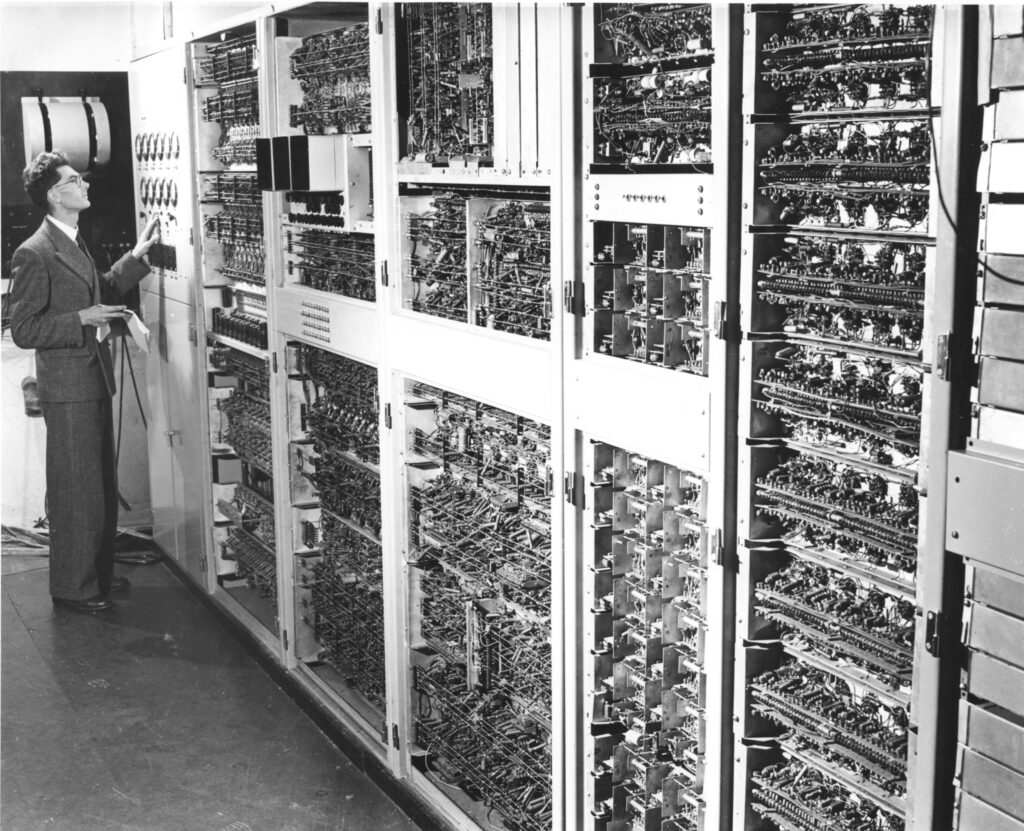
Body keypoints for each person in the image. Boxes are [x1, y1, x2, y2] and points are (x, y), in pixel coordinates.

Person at [9, 150, 161, 613]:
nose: (86, 185)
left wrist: (136, 256)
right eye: (76, 180)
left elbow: (103, 289)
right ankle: (73, 588)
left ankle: (93, 574)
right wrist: (82, 317)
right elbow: (24, 329)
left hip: (91, 378)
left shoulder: (73, 240)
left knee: (95, 486)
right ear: (56, 194)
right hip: (68, 387)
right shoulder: (34, 252)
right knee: (76, 488)